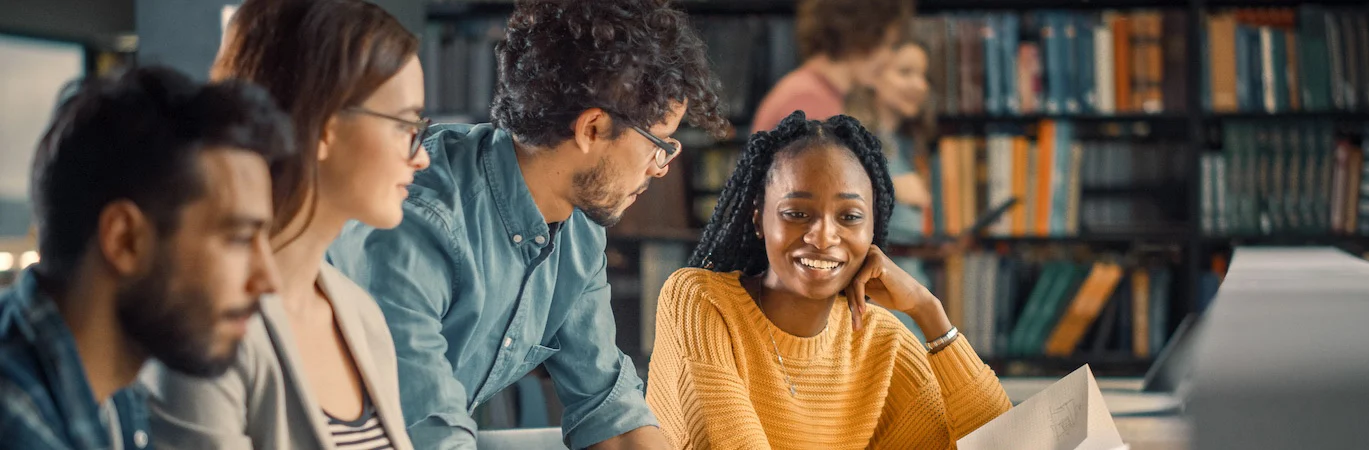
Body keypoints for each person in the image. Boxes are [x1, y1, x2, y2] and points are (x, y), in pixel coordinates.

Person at [324, 0, 727, 448]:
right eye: (659, 144)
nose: (661, 168)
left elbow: (609, 410)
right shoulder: (419, 221)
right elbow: (429, 434)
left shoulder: (578, 229)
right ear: (592, 129)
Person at [140, 1, 429, 449]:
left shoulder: (361, 315)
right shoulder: (203, 324)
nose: (421, 155)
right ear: (325, 128)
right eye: (406, 125)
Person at [645, 112, 1011, 449]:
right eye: (797, 213)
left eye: (850, 217)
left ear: (874, 228)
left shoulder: (882, 341)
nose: (822, 237)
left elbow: (1008, 442)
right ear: (758, 219)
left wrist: (928, 311)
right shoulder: (700, 302)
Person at [0, 66, 291, 449]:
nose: (269, 280)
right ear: (125, 240)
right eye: (238, 239)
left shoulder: (113, 394)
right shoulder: (17, 422)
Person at [847, 39, 938, 340]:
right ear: (873, 76)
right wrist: (894, 187)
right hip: (876, 289)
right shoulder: (853, 140)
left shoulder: (908, 144)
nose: (919, 85)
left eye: (923, 75)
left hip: (911, 275)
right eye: (905, 72)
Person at [750, 0, 914, 132]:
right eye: (887, 44)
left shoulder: (815, 93)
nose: (889, 58)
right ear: (862, 34)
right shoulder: (807, 100)